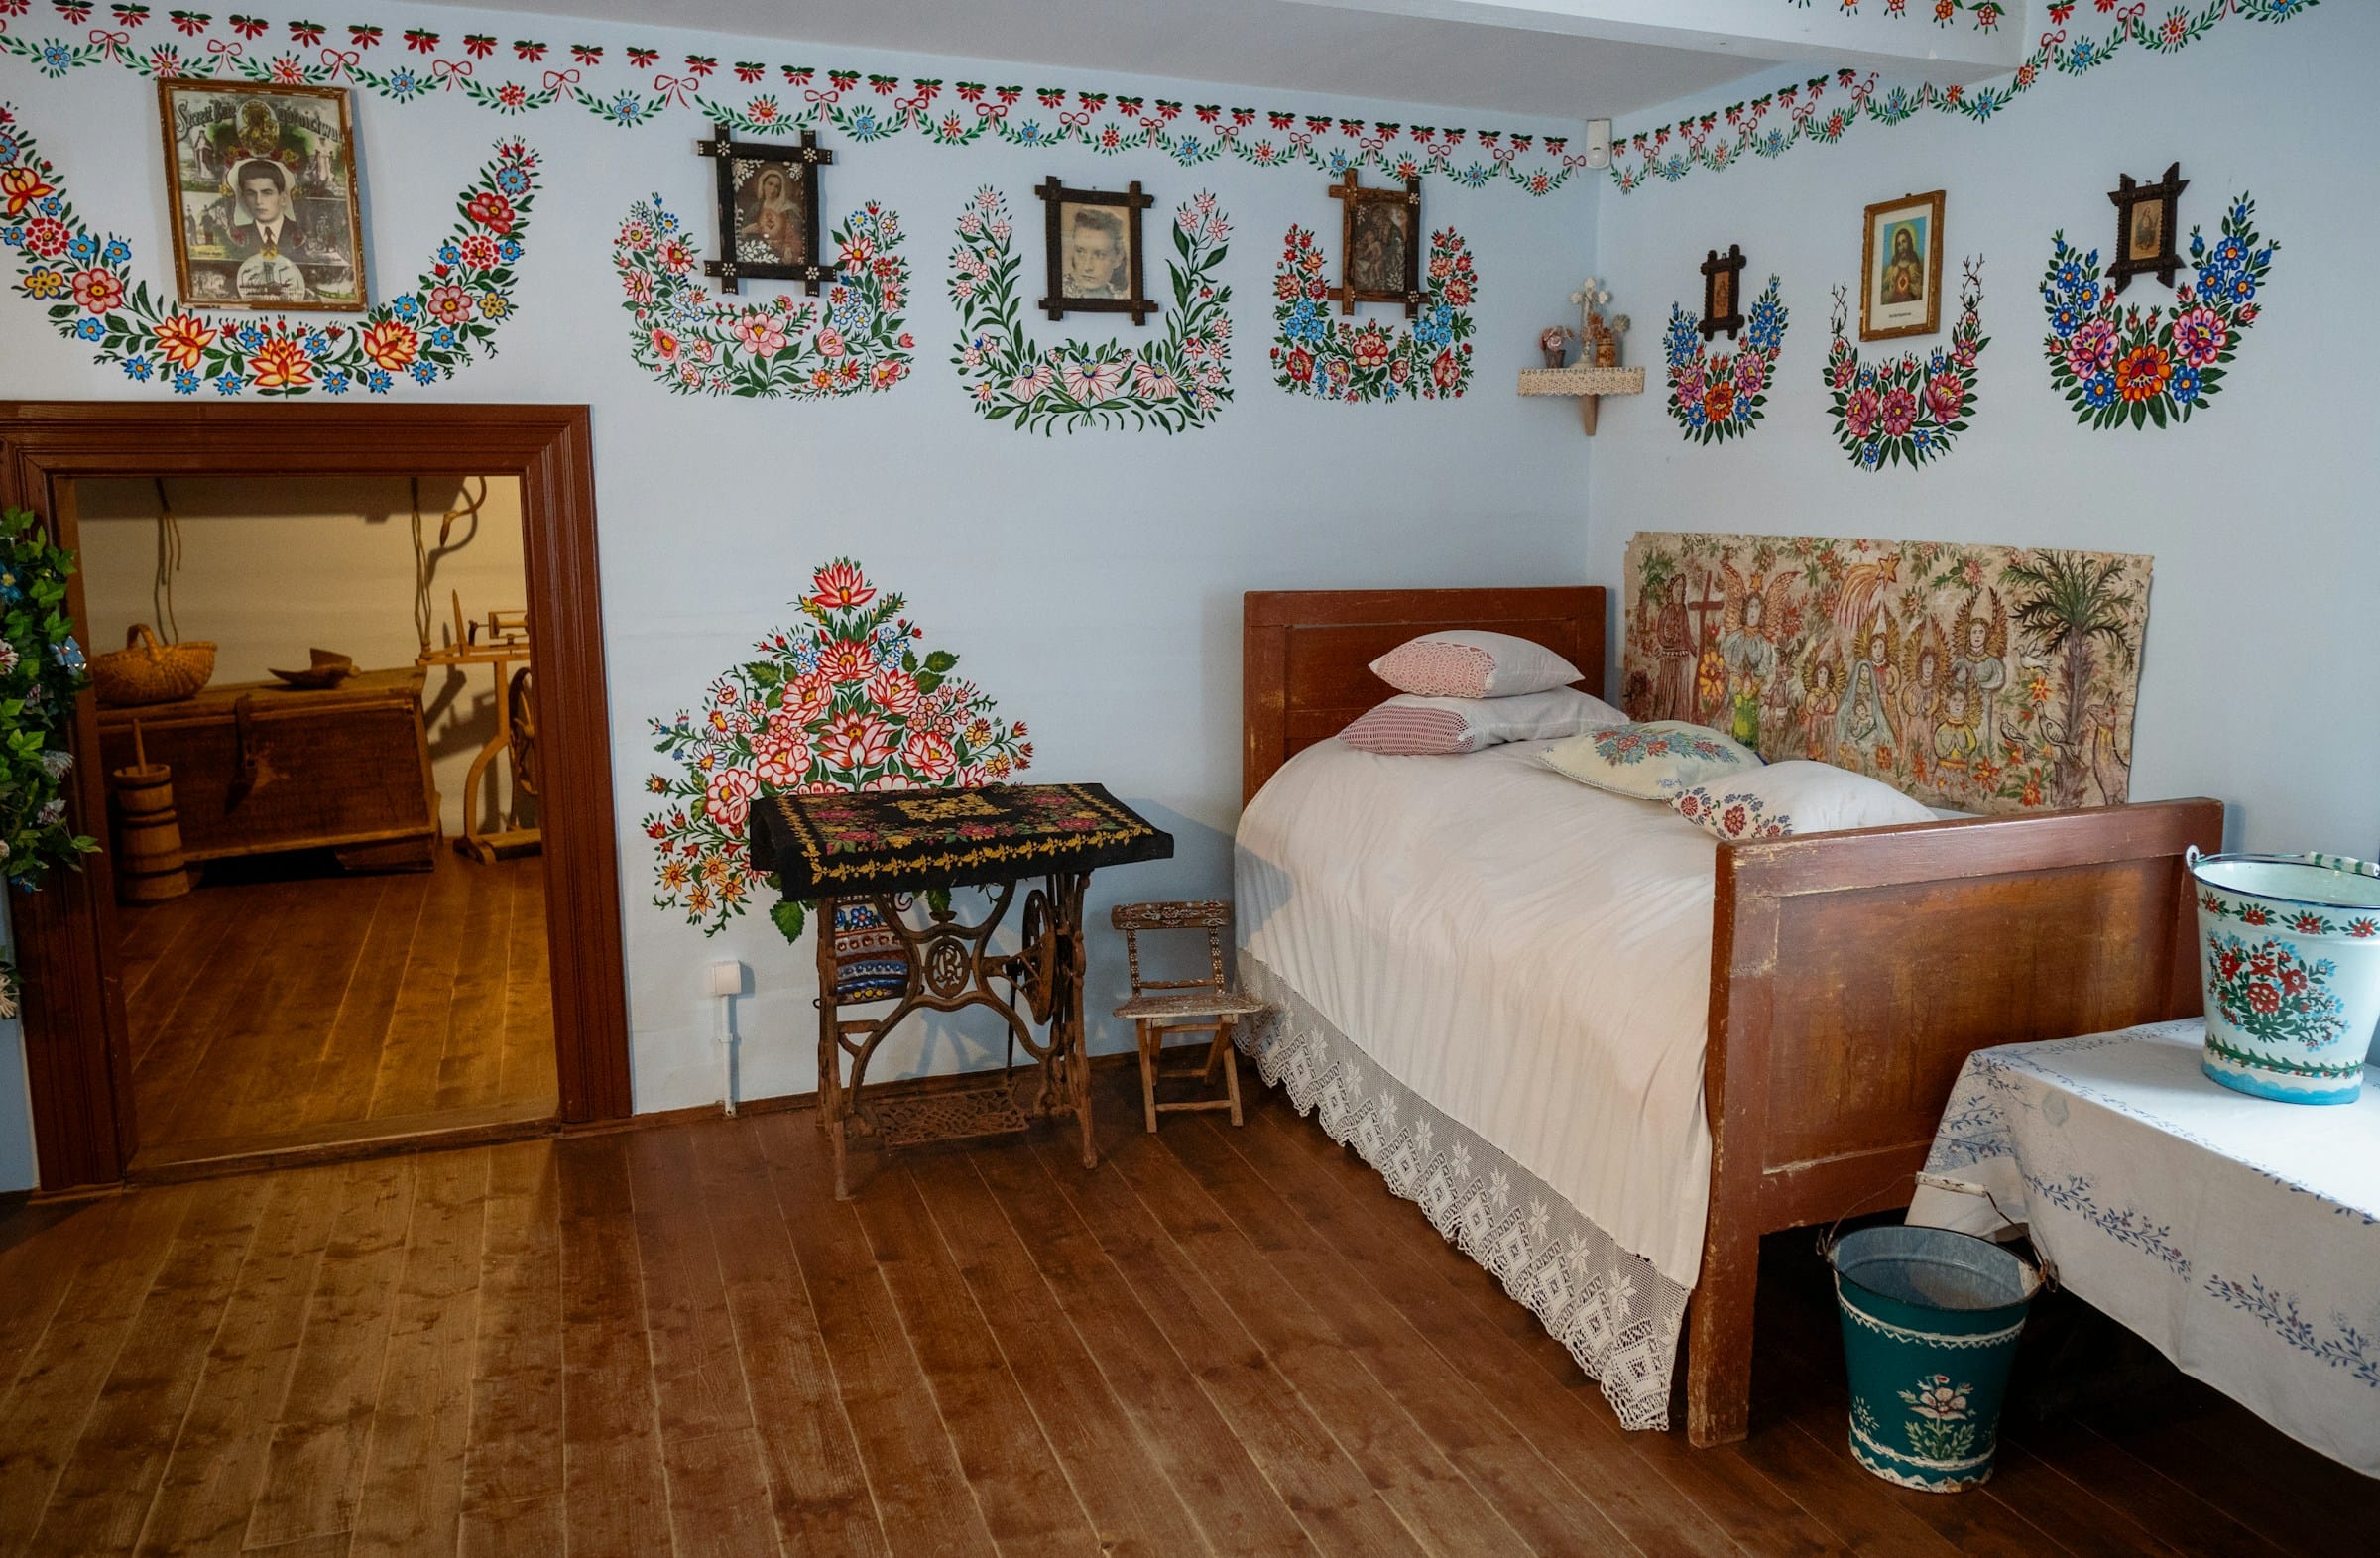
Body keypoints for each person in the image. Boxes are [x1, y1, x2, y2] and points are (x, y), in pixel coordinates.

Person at [225, 158, 315, 264]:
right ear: (243, 198)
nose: (258, 201)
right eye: (251, 194)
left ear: (282, 197)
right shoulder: (235, 237)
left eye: (266, 193)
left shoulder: (302, 233)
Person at [736, 165, 807, 266]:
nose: (773, 190)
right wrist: (746, 230)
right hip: (758, 252)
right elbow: (740, 231)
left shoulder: (788, 209)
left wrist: (788, 249)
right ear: (762, 184)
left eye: (777, 187)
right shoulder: (756, 208)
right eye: (770, 184)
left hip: (780, 253)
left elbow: (795, 235)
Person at [1065, 208, 1128, 300]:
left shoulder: (1121, 297)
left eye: (1100, 255)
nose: (1087, 267)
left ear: (1118, 258)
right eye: (1080, 251)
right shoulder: (1060, 291)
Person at [1882, 223, 1923, 305]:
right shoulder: (1892, 269)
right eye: (1899, 244)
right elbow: (1884, 289)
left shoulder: (1914, 267)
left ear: (1909, 242)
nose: (1902, 247)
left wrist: (1912, 287)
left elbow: (1920, 292)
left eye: (1904, 242)